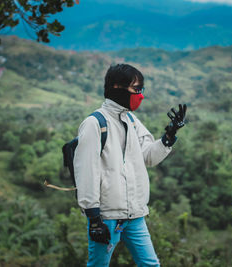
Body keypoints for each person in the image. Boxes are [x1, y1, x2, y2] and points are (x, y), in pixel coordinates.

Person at [74, 63, 187, 266]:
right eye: (136, 89)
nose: (140, 95)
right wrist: (94, 219)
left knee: (151, 264)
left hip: (135, 215)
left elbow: (149, 157)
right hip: (106, 217)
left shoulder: (131, 120)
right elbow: (86, 172)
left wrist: (169, 136)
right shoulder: (94, 123)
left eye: (141, 89)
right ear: (117, 88)